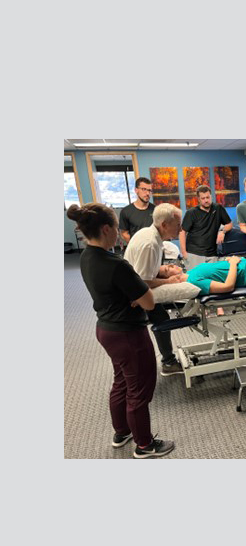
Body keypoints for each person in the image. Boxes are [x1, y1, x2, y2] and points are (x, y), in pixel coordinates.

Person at [66, 203, 175, 458]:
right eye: (116, 228)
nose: (119, 233)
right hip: (128, 335)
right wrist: (141, 293)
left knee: (122, 382)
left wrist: (135, 292)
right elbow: (148, 301)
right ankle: (145, 445)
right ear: (106, 229)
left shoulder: (86, 257)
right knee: (139, 389)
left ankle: (121, 432)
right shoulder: (116, 264)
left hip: (106, 329)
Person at [123, 203, 186, 376]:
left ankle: (167, 361)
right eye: (178, 224)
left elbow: (145, 268)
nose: (180, 228)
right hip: (132, 295)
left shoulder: (149, 234)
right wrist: (170, 281)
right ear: (164, 225)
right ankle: (168, 362)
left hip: (133, 285)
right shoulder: (151, 243)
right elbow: (143, 282)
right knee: (161, 319)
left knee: (160, 317)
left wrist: (163, 270)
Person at [179, 185, 233, 271]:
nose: (206, 200)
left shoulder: (218, 208)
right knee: (194, 282)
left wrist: (222, 231)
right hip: (194, 254)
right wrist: (184, 253)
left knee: (212, 281)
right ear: (199, 199)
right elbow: (182, 232)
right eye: (203, 198)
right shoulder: (191, 213)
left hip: (212, 254)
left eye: (207, 197)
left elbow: (229, 224)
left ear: (211, 196)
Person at [118, 177, 155, 245]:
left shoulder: (156, 210)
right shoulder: (126, 211)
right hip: (136, 250)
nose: (147, 193)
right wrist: (136, 245)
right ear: (136, 190)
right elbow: (124, 233)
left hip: (154, 249)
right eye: (144, 189)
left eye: (149, 190)